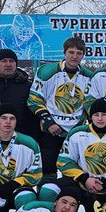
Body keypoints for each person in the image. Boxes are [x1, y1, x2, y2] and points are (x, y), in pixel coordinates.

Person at [28, 37, 93, 185]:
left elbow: (91, 103)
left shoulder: (89, 76)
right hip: (50, 131)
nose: (74, 56)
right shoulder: (46, 71)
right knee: (47, 171)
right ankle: (46, 205)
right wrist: (48, 122)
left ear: (83, 55)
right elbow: (34, 99)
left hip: (75, 134)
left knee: (72, 174)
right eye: (71, 52)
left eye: (79, 53)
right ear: (64, 52)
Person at [0, 48, 40, 141]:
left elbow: (34, 115)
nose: (8, 64)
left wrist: (33, 139)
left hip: (22, 138)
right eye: (4, 61)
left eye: (11, 61)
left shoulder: (28, 86)